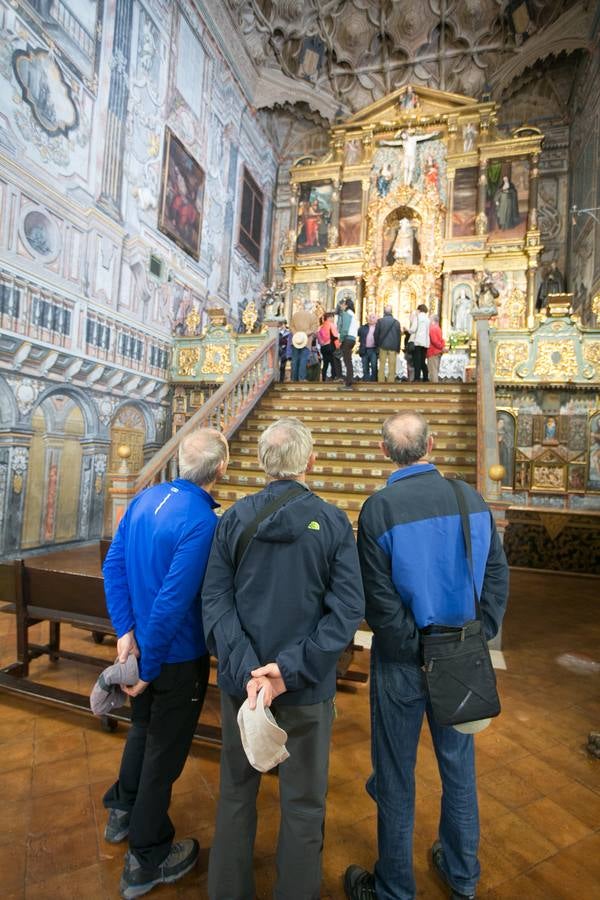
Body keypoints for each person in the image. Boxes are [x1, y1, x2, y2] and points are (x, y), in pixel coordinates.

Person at [344, 411, 509, 900]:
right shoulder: (468, 497)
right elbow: (498, 573)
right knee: (458, 765)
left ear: (382, 452)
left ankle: (396, 888)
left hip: (402, 662)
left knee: (395, 772)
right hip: (461, 654)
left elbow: (380, 603)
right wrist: (482, 632)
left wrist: (417, 649)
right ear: (431, 445)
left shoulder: (379, 510)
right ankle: (462, 875)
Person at [202, 417, 365, 900]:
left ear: (260, 463)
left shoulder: (232, 518)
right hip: (306, 688)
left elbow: (214, 599)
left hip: (243, 687)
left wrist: (251, 669)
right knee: (303, 804)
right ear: (310, 462)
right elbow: (348, 609)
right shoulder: (333, 522)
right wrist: (287, 672)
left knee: (235, 794)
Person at [102, 427, 229, 900]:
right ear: (220, 470)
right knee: (164, 752)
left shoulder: (143, 499)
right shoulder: (202, 520)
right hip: (173, 657)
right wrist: (148, 665)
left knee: (142, 729)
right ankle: (147, 857)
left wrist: (125, 636)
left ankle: (122, 809)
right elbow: (174, 603)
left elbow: (112, 567)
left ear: (178, 462)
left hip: (141, 648)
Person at [291, 300, 319, 382]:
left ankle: (293, 378)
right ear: (311, 307)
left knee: (295, 359)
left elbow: (291, 327)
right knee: (303, 359)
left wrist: (297, 334)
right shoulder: (313, 316)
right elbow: (314, 329)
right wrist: (304, 334)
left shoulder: (295, 315)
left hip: (296, 340)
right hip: (306, 340)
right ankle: (301, 378)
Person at [375, 305, 401, 384]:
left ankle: (381, 380)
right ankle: (391, 381)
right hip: (393, 346)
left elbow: (376, 334)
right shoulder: (396, 322)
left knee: (382, 364)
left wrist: (377, 344)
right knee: (392, 365)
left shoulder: (380, 321)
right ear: (391, 312)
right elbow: (398, 336)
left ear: (384, 312)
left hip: (382, 345)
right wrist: (398, 347)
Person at [338, 296, 359, 389]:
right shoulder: (353, 315)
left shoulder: (346, 314)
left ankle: (348, 382)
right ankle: (349, 379)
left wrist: (340, 339)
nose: (341, 306)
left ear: (346, 305)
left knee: (347, 361)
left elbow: (345, 329)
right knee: (348, 360)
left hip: (347, 338)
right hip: (352, 339)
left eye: (342, 304)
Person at [318, 310, 341, 382]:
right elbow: (335, 336)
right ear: (329, 318)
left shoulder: (320, 326)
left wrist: (322, 343)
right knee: (333, 363)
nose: (333, 319)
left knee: (325, 363)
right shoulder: (331, 325)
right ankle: (334, 377)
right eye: (332, 317)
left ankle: (323, 378)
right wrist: (338, 347)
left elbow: (318, 338)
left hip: (323, 347)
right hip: (331, 346)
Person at [408, 304, 430, 382]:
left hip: (417, 342)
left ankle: (417, 378)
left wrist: (408, 330)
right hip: (425, 342)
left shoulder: (417, 317)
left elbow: (413, 329)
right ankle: (425, 377)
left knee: (417, 361)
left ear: (419, 310)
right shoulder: (428, 319)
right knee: (422, 360)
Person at [358, 312, 379, 381]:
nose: (371, 319)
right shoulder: (363, 327)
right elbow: (359, 334)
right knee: (365, 366)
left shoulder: (378, 328)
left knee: (374, 366)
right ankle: (366, 380)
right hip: (365, 349)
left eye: (373, 317)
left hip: (373, 349)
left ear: (377, 319)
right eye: (370, 317)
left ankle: (374, 381)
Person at [427, 314, 445, 383]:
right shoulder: (438, 328)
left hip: (433, 352)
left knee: (433, 371)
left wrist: (441, 347)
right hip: (437, 352)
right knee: (435, 370)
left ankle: (434, 389)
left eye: (430, 319)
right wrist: (442, 347)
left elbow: (434, 341)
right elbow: (441, 340)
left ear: (433, 320)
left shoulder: (432, 328)